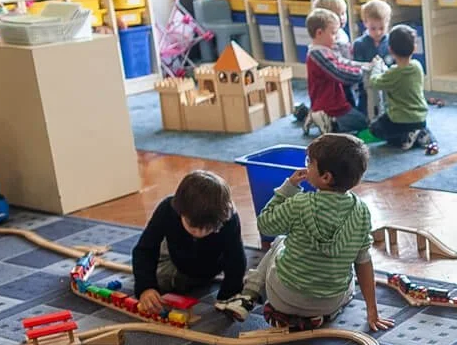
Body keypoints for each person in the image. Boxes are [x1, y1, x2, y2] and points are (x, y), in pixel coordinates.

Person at [221, 133, 393, 332]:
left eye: (309, 163)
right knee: (350, 278)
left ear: (326, 177)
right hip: (330, 302)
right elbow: (363, 262)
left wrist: (288, 188)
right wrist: (372, 311)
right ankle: (323, 316)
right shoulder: (361, 211)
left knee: (280, 241)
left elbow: (264, 225)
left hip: (283, 297)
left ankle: (249, 295)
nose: (306, 167)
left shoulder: (300, 204)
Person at [130, 170, 249, 321]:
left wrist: (227, 296)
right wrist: (145, 288)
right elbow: (144, 250)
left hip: (212, 264)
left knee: (241, 284)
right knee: (155, 280)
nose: (199, 233)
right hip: (177, 257)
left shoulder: (229, 218)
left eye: (208, 229)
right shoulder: (167, 209)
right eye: (193, 227)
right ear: (180, 212)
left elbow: (236, 259)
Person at [301, 4, 369, 135]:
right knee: (363, 122)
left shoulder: (325, 50)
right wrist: (361, 74)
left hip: (335, 102)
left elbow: (343, 62)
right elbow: (339, 73)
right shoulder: (318, 54)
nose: (336, 37)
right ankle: (329, 121)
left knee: (358, 117)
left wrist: (363, 65)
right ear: (319, 33)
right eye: (333, 33)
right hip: (331, 106)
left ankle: (314, 115)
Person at [365, 24, 431, 150]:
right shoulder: (417, 66)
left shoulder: (393, 73)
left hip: (399, 120)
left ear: (390, 50)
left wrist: (376, 67)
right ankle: (420, 133)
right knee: (416, 125)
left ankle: (404, 138)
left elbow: (374, 82)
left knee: (375, 128)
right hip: (420, 118)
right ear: (414, 48)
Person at [351, 0, 392, 116]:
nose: (378, 32)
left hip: (388, 90)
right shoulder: (359, 44)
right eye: (373, 28)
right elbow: (357, 69)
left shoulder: (391, 42)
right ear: (365, 23)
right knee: (365, 117)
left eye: (382, 28)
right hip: (366, 91)